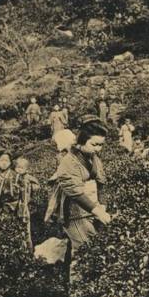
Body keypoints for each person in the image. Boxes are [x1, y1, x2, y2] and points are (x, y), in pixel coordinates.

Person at [45, 116, 112, 282]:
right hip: (75, 212)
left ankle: (91, 291)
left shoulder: (94, 158)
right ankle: (78, 296)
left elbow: (101, 182)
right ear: (82, 140)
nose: (98, 148)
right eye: (94, 144)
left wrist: (102, 205)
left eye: (101, 144)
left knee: (94, 250)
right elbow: (75, 192)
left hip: (91, 209)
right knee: (83, 251)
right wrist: (96, 209)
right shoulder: (69, 162)